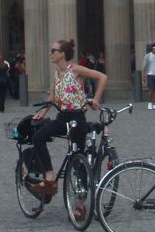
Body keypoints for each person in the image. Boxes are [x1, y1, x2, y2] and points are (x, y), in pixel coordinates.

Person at [29, 39, 107, 198]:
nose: (51, 54)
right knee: (38, 137)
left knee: (79, 159)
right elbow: (54, 94)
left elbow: (102, 77)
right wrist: (43, 112)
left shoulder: (75, 69)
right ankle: (50, 178)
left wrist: (96, 99)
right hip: (62, 117)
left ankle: (81, 204)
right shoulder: (57, 73)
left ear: (62, 54)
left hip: (77, 117)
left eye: (53, 51)